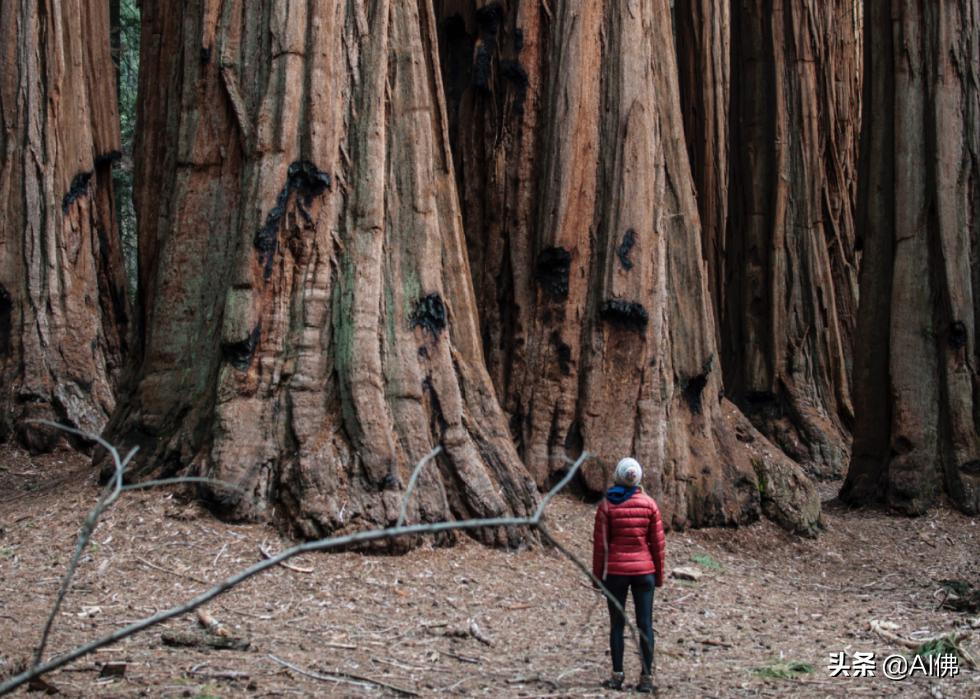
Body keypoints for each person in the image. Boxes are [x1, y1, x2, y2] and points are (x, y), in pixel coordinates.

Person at [592, 457, 666, 693]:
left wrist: (597, 576)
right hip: (645, 573)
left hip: (616, 573)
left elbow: (600, 545)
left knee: (617, 624)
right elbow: (658, 545)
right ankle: (646, 677)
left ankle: (617, 676)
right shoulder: (649, 504)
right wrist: (659, 576)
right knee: (645, 624)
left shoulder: (606, 506)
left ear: (617, 476)